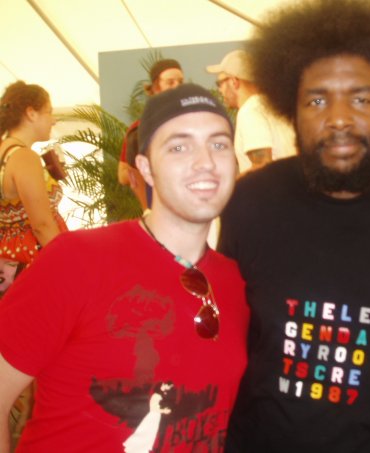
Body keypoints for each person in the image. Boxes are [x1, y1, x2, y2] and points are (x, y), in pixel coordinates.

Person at [217, 1, 370, 451]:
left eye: (361, 99)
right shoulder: (250, 202)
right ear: (291, 109)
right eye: (317, 100)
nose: (339, 118)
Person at [0, 83, 249, 452]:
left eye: (219, 144)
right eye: (179, 147)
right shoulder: (76, 261)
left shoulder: (238, 282)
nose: (205, 162)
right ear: (145, 168)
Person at [0, 81, 67, 283]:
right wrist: (69, 262)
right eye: (49, 112)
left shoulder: (5, 152)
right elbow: (42, 225)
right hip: (34, 259)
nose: (53, 120)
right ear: (31, 113)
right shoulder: (23, 157)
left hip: (10, 260)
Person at [206, 50, 295, 174]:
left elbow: (263, 165)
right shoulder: (274, 107)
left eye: (219, 83)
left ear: (234, 82)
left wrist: (230, 184)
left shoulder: (249, 111)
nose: (220, 90)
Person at [117, 58, 185, 210]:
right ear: (156, 88)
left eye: (180, 82)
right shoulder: (140, 129)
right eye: (170, 82)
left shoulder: (194, 125)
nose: (177, 87)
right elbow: (123, 175)